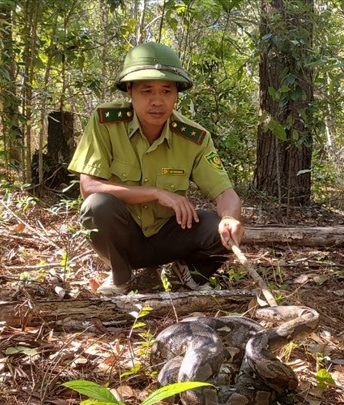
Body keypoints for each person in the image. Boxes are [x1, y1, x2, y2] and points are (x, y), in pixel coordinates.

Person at [68, 42, 244, 293]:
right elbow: (89, 186)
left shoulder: (194, 137)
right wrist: (156, 193)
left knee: (217, 226)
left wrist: (229, 218)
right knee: (97, 206)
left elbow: (226, 193)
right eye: (147, 91)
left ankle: (188, 271)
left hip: (168, 238)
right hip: (124, 236)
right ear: (130, 90)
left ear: (177, 95)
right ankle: (120, 276)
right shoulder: (105, 122)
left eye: (166, 91)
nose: (157, 101)